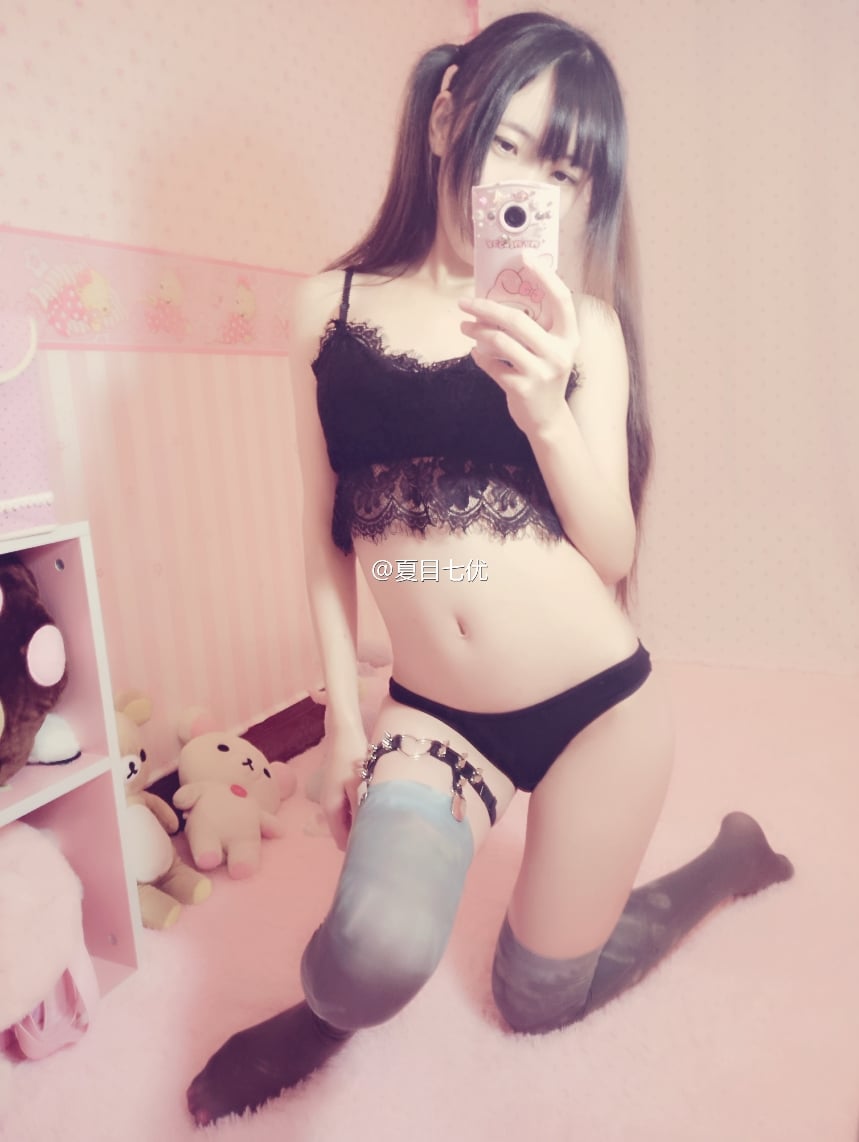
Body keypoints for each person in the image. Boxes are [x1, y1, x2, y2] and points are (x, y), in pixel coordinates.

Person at [186, 12, 793, 1126]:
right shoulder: (328, 307)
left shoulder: (581, 329)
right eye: (507, 143)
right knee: (370, 953)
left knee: (537, 1001)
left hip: (598, 710)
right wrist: (343, 720)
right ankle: (324, 1011)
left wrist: (545, 408)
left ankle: (723, 859)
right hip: (435, 716)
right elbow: (324, 532)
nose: (524, 185)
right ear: (444, 118)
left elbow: (611, 551)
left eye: (561, 170)